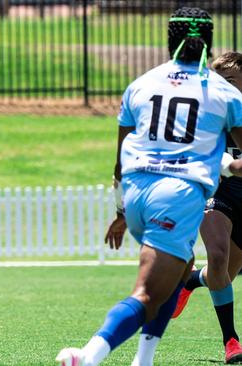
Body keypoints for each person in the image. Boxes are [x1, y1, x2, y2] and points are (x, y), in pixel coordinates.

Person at [57, 7, 242, 366]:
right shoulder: (224, 92)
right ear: (208, 42)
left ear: (170, 40)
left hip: (137, 193)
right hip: (178, 195)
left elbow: (119, 161)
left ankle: (144, 359)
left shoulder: (140, 84)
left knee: (181, 267)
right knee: (147, 293)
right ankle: (89, 356)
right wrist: (224, 165)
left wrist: (121, 213)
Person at [169, 51, 242, 364]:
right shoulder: (206, 113)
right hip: (217, 193)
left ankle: (191, 280)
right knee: (217, 255)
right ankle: (231, 340)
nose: (223, 87)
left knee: (222, 274)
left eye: (231, 81)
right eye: (219, 81)